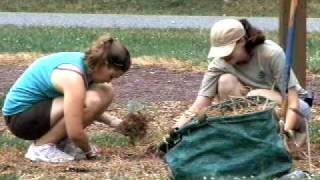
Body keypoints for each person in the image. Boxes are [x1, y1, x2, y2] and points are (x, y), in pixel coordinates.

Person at [172, 19, 311, 147]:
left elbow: (292, 101)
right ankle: (243, 137)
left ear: (242, 41)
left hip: (295, 108)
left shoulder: (271, 53)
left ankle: (292, 132)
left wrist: (286, 131)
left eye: (228, 51)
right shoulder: (219, 64)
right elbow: (200, 105)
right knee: (225, 82)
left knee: (255, 95)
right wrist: (175, 131)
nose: (224, 57)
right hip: (257, 105)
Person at [2, 35, 131, 162]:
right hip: (19, 119)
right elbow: (75, 131)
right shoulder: (73, 77)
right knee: (92, 99)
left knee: (105, 90)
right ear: (105, 64)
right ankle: (42, 147)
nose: (110, 80)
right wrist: (89, 152)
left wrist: (115, 123)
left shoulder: (88, 65)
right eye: (112, 75)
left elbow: (81, 108)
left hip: (39, 110)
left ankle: (58, 142)